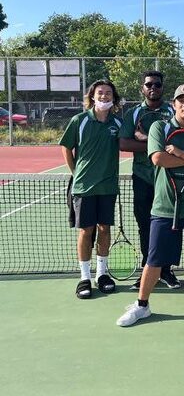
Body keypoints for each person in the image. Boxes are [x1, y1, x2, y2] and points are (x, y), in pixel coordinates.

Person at [116, 84, 184, 326]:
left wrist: (182, 153)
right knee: (154, 260)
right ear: (174, 104)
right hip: (164, 208)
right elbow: (158, 158)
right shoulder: (159, 127)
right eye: (181, 101)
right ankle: (142, 305)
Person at [60, 79, 122, 299]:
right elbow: (67, 147)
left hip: (107, 187)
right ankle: (84, 277)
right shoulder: (80, 120)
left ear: (113, 98)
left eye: (108, 93)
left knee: (104, 229)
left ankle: (102, 274)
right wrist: (76, 172)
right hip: (84, 187)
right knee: (86, 231)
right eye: (100, 93)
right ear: (92, 96)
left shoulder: (118, 123)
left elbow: (129, 142)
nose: (104, 96)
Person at [119, 71, 180, 290]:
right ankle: (148, 268)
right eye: (148, 85)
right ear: (142, 89)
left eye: (157, 84)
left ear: (163, 88)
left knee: (170, 226)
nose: (153, 88)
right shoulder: (133, 113)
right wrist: (155, 146)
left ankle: (166, 271)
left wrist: (146, 140)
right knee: (145, 225)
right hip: (142, 178)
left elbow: (178, 142)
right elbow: (124, 143)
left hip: (168, 179)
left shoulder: (172, 112)